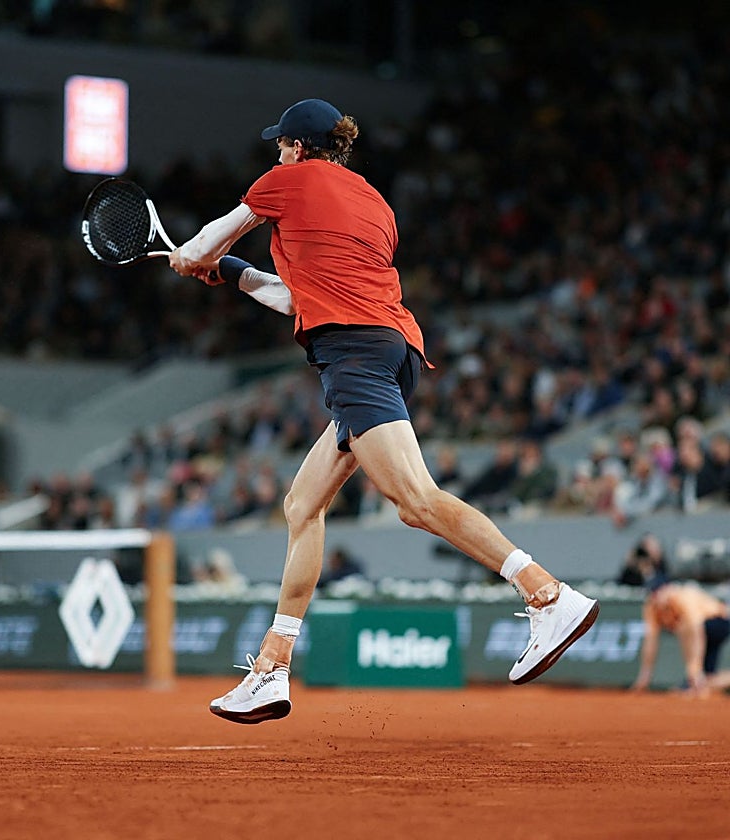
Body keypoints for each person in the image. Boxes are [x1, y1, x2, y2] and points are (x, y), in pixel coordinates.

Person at [169, 98, 599, 723]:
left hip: (352, 357)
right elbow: (300, 298)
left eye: (281, 144)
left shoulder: (283, 182)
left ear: (295, 147)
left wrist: (193, 255)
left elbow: (214, 234)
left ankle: (546, 594)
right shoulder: (373, 202)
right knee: (302, 505)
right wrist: (231, 274)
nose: (277, 152)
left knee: (415, 502)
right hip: (390, 347)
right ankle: (271, 668)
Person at [630, 571, 730, 697]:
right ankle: (698, 683)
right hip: (701, 630)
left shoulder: (683, 597)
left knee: (684, 628)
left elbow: (696, 632)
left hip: (719, 622)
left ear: (668, 588)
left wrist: (694, 669)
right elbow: (650, 641)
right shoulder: (651, 606)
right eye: (651, 593)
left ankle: (694, 679)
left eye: (657, 592)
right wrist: (645, 676)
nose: (654, 597)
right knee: (709, 678)